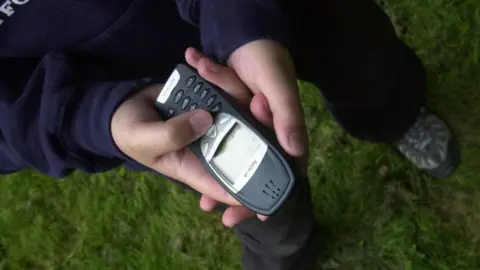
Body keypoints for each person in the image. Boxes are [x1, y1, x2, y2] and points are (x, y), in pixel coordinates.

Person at [0, 0, 460, 269]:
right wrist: (93, 118)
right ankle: (287, 253)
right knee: (264, 211)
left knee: (363, 61)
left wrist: (242, 18)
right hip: (153, 101)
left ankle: (393, 115)